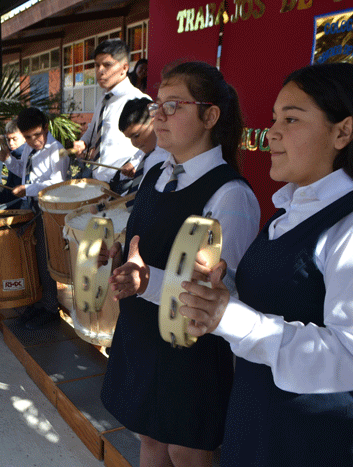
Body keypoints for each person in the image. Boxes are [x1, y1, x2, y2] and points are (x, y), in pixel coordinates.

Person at [179, 62, 353, 466]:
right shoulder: (290, 211)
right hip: (265, 422)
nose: (272, 132)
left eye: (291, 119)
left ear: (343, 132)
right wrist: (217, 297)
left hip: (325, 442)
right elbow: (277, 303)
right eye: (273, 119)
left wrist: (231, 318)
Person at [100, 61, 260, 467]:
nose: (159, 115)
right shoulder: (156, 170)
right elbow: (148, 242)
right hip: (142, 333)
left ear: (210, 116)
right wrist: (117, 255)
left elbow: (222, 292)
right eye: (158, 105)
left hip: (190, 350)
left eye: (174, 105)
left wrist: (146, 280)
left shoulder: (231, 195)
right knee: (150, 439)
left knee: (185, 450)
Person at [0, 107, 68, 329]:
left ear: (46, 128)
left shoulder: (56, 151)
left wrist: (28, 189)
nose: (33, 141)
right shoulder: (30, 148)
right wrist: (8, 161)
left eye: (37, 135)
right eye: (27, 137)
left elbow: (57, 184)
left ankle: (50, 308)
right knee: (34, 258)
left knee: (45, 259)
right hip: (31, 207)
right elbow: (23, 169)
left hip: (48, 211)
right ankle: (39, 302)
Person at [72, 39, 149, 183]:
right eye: (97, 65)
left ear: (124, 68)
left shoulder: (138, 100)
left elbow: (154, 140)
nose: (100, 71)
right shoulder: (104, 98)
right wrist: (83, 142)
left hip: (122, 182)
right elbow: (93, 128)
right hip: (97, 177)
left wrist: (135, 163)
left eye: (107, 65)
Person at [112, 97, 169, 195]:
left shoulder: (169, 158)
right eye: (130, 138)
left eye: (136, 135)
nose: (134, 143)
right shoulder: (148, 151)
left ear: (154, 121)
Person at [0, 118, 26, 206]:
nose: (11, 143)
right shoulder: (12, 154)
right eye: (8, 139)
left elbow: (13, 191)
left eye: (14, 139)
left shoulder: (24, 155)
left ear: (25, 137)